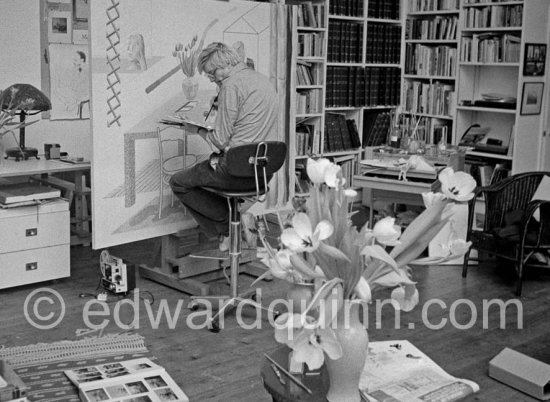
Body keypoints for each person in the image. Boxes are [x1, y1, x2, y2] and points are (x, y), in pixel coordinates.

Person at [169, 42, 279, 251]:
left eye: (212, 72)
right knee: (205, 177)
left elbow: (220, 140)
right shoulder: (261, 80)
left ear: (226, 64)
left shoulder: (231, 85)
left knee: (178, 182)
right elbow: (249, 122)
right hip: (262, 171)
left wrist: (197, 130)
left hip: (236, 171)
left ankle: (229, 225)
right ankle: (234, 223)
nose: (211, 78)